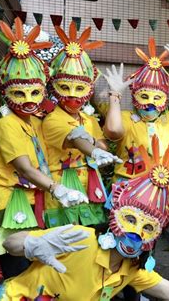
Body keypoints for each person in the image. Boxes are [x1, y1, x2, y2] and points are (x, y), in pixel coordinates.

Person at [0, 136, 169, 300]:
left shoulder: (130, 270)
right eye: (130, 219)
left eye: (148, 227)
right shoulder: (82, 238)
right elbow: (10, 244)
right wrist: (32, 244)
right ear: (114, 216)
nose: (136, 232)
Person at [0, 18, 87, 278]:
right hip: (8, 205)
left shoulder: (33, 123)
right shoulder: (7, 126)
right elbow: (25, 168)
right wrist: (56, 188)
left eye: (34, 93)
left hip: (30, 202)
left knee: (34, 271)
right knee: (19, 273)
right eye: (20, 93)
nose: (28, 100)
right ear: (6, 93)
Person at [41, 21, 121, 228]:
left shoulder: (88, 118)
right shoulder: (52, 119)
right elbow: (76, 139)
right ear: (55, 87)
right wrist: (94, 151)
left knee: (88, 237)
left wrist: (96, 145)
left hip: (89, 185)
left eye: (80, 89)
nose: (73, 96)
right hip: (62, 187)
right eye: (66, 87)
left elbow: (102, 143)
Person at [102, 37, 169, 183]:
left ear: (165, 99)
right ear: (135, 96)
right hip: (128, 190)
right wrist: (115, 95)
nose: (150, 103)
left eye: (157, 98)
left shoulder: (167, 120)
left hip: (159, 189)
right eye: (145, 96)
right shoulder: (126, 118)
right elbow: (113, 130)